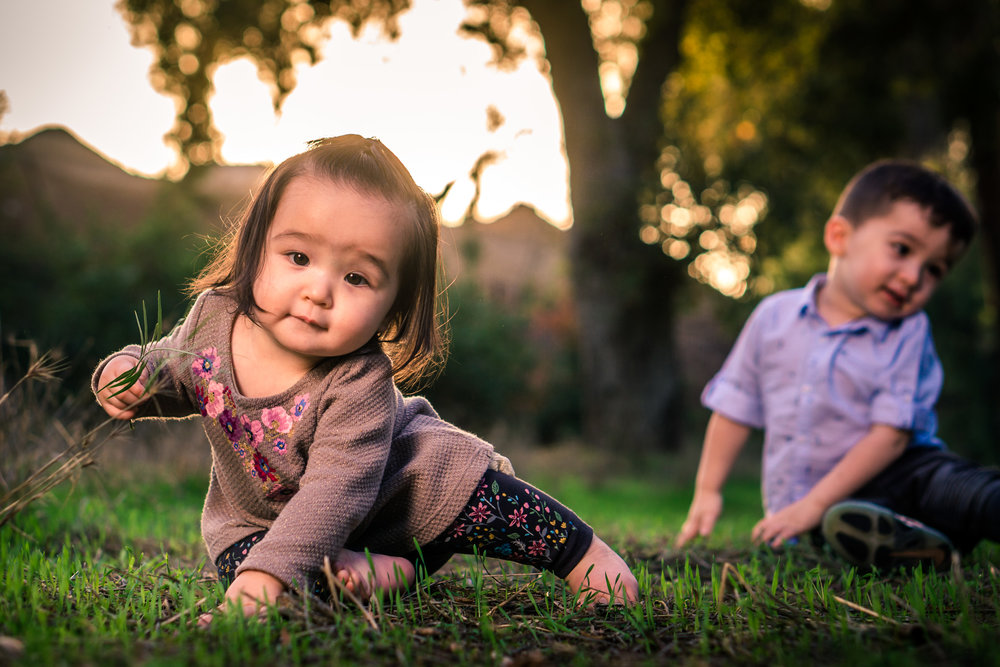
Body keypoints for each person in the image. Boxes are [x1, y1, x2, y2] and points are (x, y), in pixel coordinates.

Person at [93, 135, 638, 623]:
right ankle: (387, 574)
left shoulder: (358, 380)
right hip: (262, 520)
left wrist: (265, 584)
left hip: (405, 495)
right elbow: (177, 367)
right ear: (256, 247)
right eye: (298, 256)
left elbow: (335, 491)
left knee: (492, 502)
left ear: (392, 307)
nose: (319, 290)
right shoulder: (215, 317)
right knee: (253, 564)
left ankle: (588, 559)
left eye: (356, 276)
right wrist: (133, 377)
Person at [675, 159, 999, 572]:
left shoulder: (909, 331)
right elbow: (734, 406)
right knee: (838, 528)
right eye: (901, 249)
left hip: (901, 477)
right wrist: (708, 491)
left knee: (951, 487)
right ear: (839, 236)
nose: (914, 276)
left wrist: (814, 505)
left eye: (934, 269)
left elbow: (892, 438)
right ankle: (914, 547)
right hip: (820, 507)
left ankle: (952, 522)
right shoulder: (774, 317)